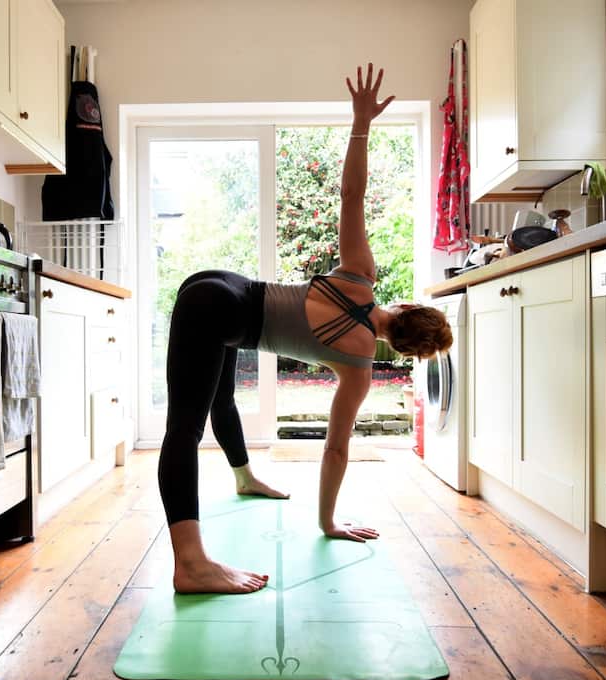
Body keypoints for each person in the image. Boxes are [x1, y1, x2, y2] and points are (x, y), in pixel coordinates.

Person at [159, 64, 454, 594]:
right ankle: (191, 564)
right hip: (224, 315)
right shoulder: (359, 367)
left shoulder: (362, 275)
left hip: (224, 287)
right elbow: (336, 450)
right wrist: (327, 523)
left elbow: (351, 195)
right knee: (184, 428)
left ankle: (245, 478)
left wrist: (361, 122)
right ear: (406, 352)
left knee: (218, 400)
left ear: (407, 305)